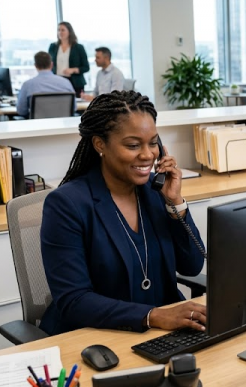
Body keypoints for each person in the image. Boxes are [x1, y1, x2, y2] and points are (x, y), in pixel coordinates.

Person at [39, 90, 206, 335]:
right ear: (100, 144)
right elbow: (74, 300)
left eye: (153, 143)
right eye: (133, 145)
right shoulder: (66, 204)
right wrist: (153, 316)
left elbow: (192, 266)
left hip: (162, 332)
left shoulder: (156, 192)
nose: (148, 155)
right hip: (97, 336)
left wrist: (175, 204)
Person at [16, 51, 76, 118]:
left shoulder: (27, 85)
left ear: (35, 66)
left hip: (37, 124)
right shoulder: (66, 83)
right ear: (51, 64)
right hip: (62, 123)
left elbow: (21, 111)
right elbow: (73, 108)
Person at [48, 21, 90, 97]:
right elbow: (49, 64)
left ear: (69, 32)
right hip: (57, 81)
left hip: (75, 82)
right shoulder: (53, 47)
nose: (60, 32)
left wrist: (73, 70)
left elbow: (86, 67)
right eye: (58, 30)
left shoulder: (78, 48)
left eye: (63, 30)